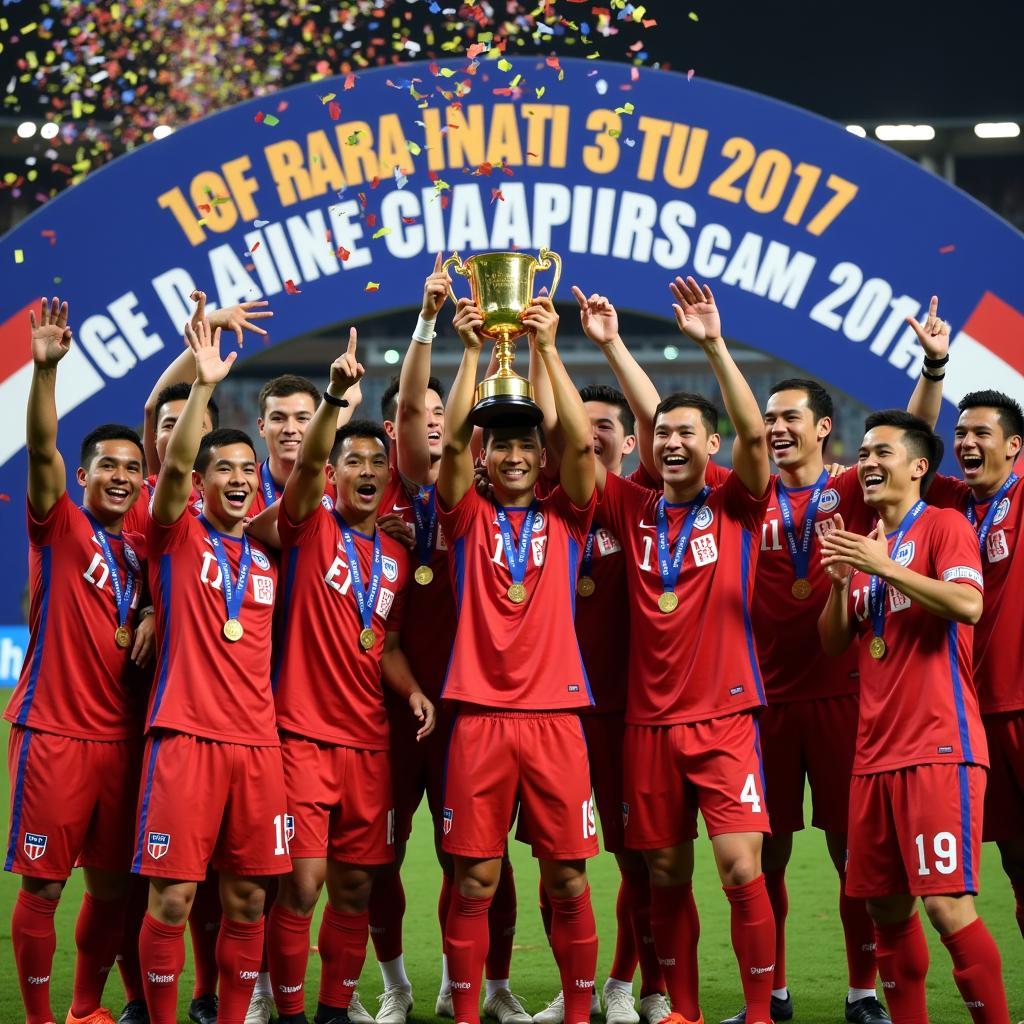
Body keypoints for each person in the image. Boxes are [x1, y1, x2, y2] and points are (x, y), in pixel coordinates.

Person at [591, 278, 774, 1024]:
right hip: (647, 725)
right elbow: (610, 432)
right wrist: (604, 344)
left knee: (738, 867)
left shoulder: (736, 500)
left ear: (712, 445)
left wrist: (713, 344)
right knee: (663, 872)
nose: (670, 442)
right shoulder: (630, 505)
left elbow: (757, 439)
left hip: (725, 718)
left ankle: (760, 1011)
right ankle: (684, 1013)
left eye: (687, 434)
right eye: (662, 435)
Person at [264, 329, 436, 1024]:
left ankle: (336, 1008)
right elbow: (302, 470)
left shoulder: (394, 555)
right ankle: (291, 1007)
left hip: (368, 743)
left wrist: (413, 688)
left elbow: (386, 641)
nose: (365, 469)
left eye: (375, 461)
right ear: (331, 474)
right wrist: (333, 398)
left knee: (358, 885)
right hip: (302, 735)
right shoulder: (307, 526)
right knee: (302, 886)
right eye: (351, 460)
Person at [438, 294, 600, 1024]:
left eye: (524, 447)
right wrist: (472, 351)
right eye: (498, 445)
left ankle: (575, 1009)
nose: (510, 455)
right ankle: (470, 1012)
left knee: (567, 879)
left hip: (556, 718)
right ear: (486, 455)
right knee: (474, 880)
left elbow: (585, 450)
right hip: (479, 718)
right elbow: (446, 451)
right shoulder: (465, 514)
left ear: (541, 457)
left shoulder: (567, 514)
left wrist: (548, 349)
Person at [818, 409, 1009, 1024]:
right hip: (874, 755)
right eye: (865, 453)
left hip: (938, 746)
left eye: (883, 453)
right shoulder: (867, 539)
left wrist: (884, 568)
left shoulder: (945, 525)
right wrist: (839, 581)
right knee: (886, 910)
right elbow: (832, 643)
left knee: (947, 907)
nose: (868, 463)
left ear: (919, 467)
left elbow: (968, 604)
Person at [134, 317, 290, 1024]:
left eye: (244, 470)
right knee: (173, 897)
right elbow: (167, 468)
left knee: (249, 897)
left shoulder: (267, 552)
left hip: (258, 747)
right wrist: (203, 382)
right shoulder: (174, 534)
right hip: (185, 739)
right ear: (198, 483)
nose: (234, 478)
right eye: (220, 469)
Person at [5, 297, 154, 1024]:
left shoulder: (146, 549)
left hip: (125, 743)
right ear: (85, 475)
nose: (121, 477)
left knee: (113, 890)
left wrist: (153, 609)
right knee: (42, 889)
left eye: (132, 467)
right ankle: (38, 1021)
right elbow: (40, 450)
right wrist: (43, 371)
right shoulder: (58, 526)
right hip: (54, 735)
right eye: (107, 466)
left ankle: (87, 1009)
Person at [532, 288, 671, 1024]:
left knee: (638, 856)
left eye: (607, 429)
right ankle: (580, 989)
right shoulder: (548, 502)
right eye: (580, 431)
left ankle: (632, 984)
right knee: (566, 864)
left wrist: (613, 346)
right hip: (557, 714)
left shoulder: (643, 497)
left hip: (629, 708)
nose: (594, 440)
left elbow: (657, 422)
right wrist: (528, 348)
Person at [905, 300, 1024, 956]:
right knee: (1016, 866)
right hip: (978, 717)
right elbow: (915, 440)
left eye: (983, 433)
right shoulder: (950, 503)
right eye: (963, 435)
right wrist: (935, 364)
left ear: (1015, 445)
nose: (967, 443)